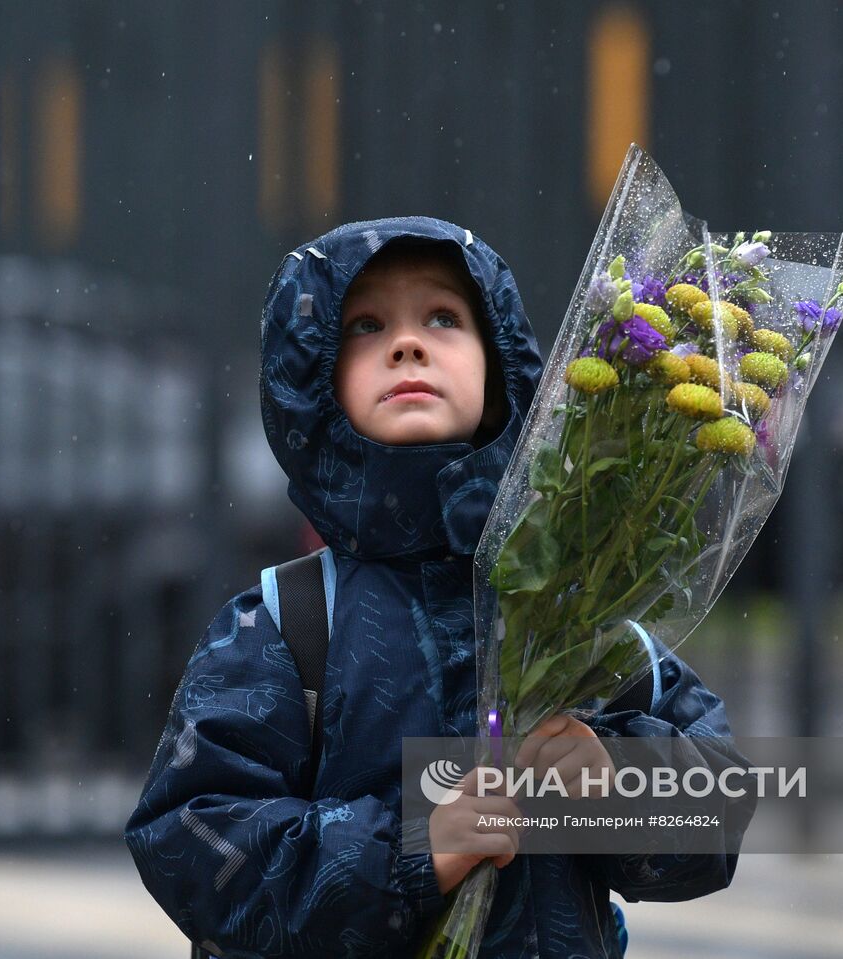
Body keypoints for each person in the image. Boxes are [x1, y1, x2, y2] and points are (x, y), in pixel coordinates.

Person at [125, 216, 749, 957]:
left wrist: (616, 781)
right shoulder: (286, 625)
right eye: (365, 324)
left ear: (501, 367)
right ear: (315, 381)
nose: (408, 342)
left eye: (444, 317)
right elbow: (192, 835)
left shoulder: (582, 613)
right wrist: (412, 847)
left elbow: (717, 805)